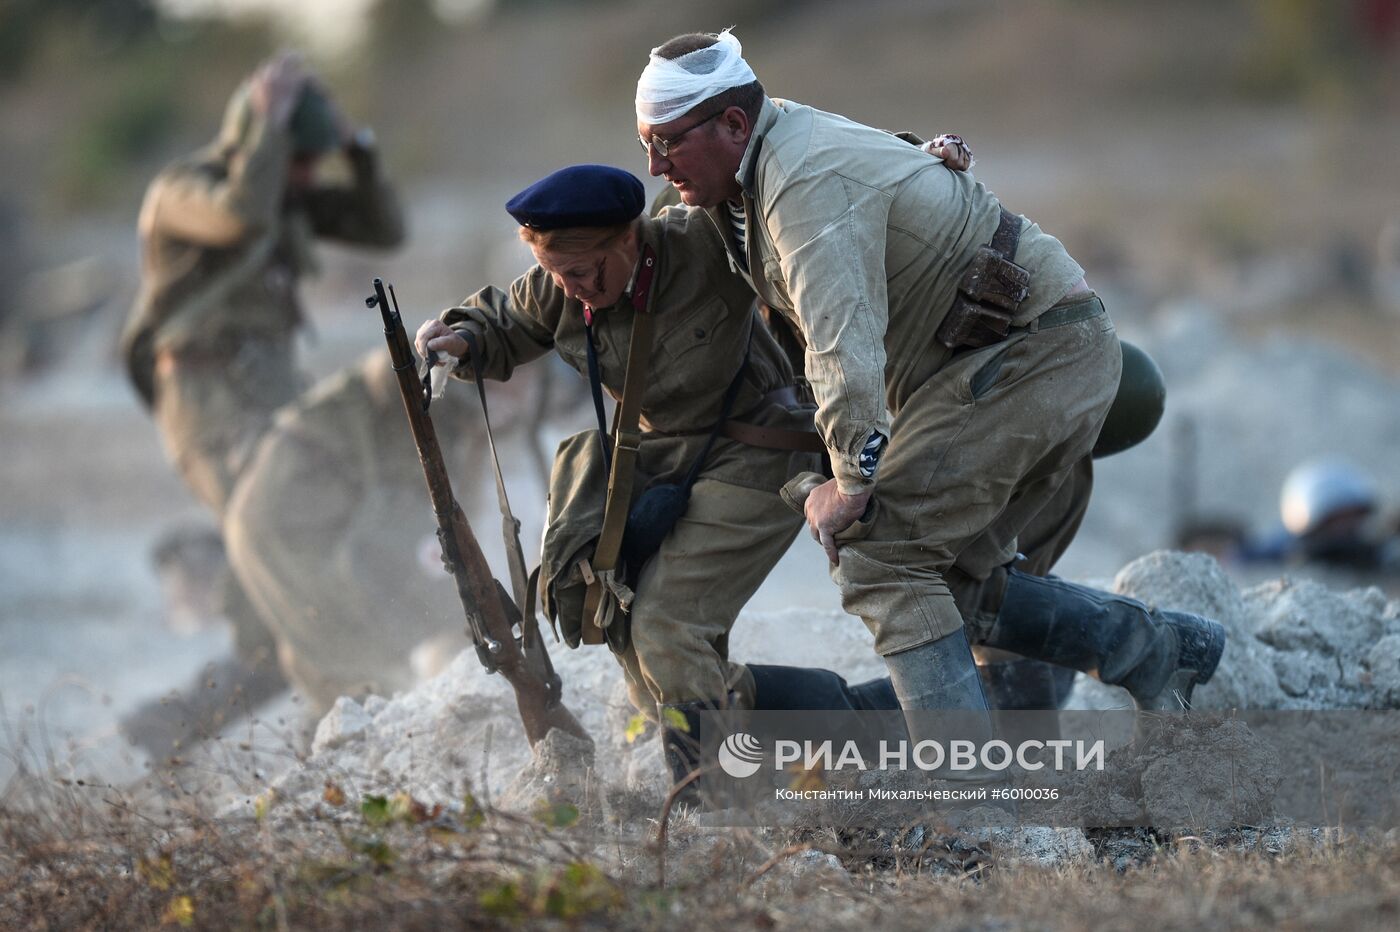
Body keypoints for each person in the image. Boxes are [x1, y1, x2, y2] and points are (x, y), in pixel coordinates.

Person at [632, 30, 1226, 735]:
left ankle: (967, 799)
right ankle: (1158, 651)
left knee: (880, 555)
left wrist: (852, 483)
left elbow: (838, 339)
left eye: (667, 142)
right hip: (1008, 366)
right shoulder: (757, 162)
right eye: (646, 141)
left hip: (1031, 358)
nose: (653, 162)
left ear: (732, 124)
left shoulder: (802, 181)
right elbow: (638, 242)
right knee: (953, 585)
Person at [117, 52, 405, 751]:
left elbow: (383, 228)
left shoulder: (286, 189)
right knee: (282, 543)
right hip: (208, 403)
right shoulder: (184, 189)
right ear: (258, 135)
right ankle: (341, 707)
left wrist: (354, 146)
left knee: (284, 565)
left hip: (275, 394)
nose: (306, 175)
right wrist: (269, 127)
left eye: (313, 161)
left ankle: (180, 723)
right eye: (298, 159)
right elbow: (239, 215)